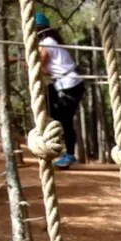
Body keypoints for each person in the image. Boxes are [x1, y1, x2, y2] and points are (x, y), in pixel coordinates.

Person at [35, 12, 84, 169]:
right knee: (51, 110)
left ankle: (69, 154)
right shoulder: (51, 41)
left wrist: (24, 63)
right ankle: (60, 147)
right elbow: (46, 70)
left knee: (64, 120)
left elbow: (40, 65)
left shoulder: (47, 42)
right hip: (64, 83)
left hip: (69, 85)